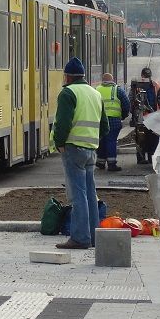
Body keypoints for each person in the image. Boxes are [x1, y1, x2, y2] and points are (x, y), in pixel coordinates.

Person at [51, 56, 109, 250]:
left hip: (73, 149)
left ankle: (80, 237)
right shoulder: (95, 93)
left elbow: (62, 123)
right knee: (91, 193)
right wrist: (93, 140)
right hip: (91, 149)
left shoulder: (68, 93)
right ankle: (94, 236)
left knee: (78, 194)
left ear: (67, 76)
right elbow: (105, 127)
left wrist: (59, 143)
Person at [95, 72, 131, 172]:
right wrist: (124, 115)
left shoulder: (96, 90)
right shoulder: (117, 90)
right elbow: (126, 104)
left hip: (99, 120)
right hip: (114, 120)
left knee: (101, 140)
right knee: (111, 140)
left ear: (102, 81)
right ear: (112, 80)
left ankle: (100, 162)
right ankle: (111, 163)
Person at [133, 66, 160, 164]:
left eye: (148, 76)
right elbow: (133, 100)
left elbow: (159, 99)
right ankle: (141, 157)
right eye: (145, 76)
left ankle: (152, 157)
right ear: (141, 75)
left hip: (154, 116)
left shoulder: (156, 85)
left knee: (154, 138)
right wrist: (134, 115)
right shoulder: (137, 86)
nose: (146, 78)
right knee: (141, 138)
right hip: (142, 117)